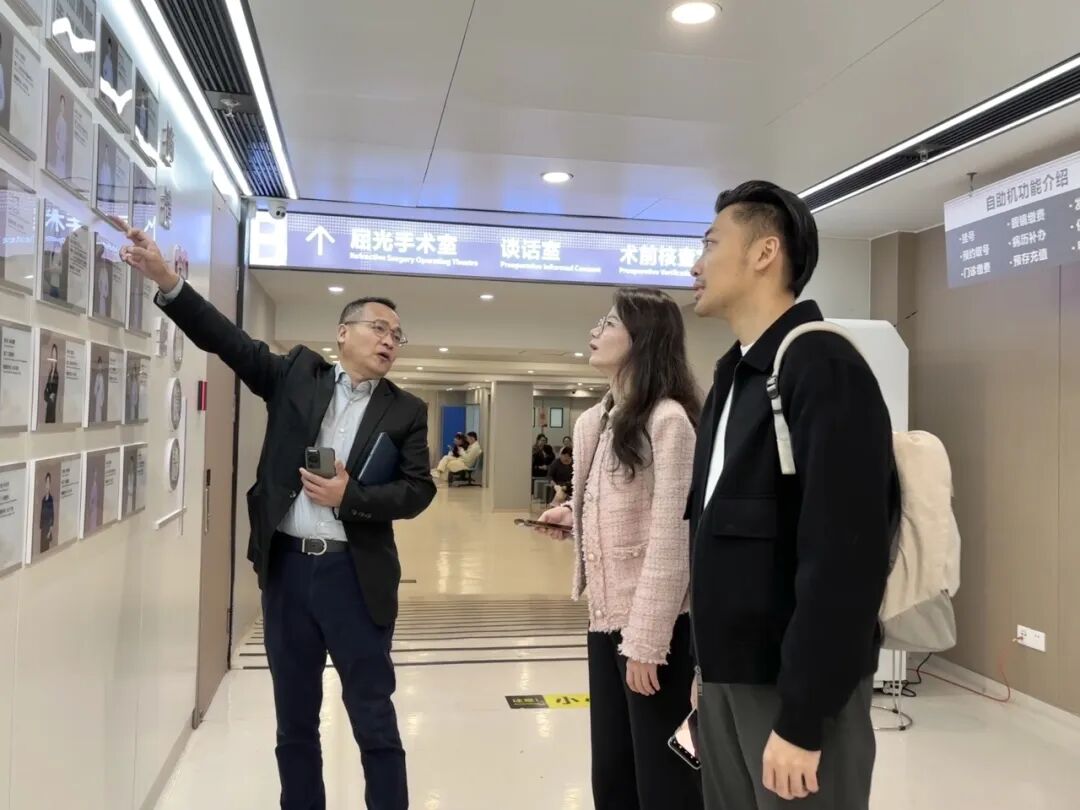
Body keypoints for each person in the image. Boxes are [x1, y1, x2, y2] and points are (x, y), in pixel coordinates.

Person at [119, 223, 436, 810]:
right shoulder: (296, 376)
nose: (390, 340)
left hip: (356, 577)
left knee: (374, 720)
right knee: (294, 722)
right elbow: (228, 340)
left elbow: (418, 491)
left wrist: (350, 497)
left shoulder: (407, 410)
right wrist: (167, 280)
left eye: (398, 334)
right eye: (379, 327)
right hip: (289, 573)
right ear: (343, 333)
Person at [686, 180, 895, 810]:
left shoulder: (821, 365)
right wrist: (707, 672)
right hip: (728, 680)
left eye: (710, 244)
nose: (695, 265)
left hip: (793, 691)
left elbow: (845, 558)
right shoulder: (733, 377)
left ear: (764, 252)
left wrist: (803, 718)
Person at [538, 287, 703, 810]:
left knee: (663, 782)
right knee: (612, 774)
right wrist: (573, 518)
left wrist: (647, 642)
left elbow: (672, 537)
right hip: (604, 621)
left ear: (643, 340)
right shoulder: (595, 420)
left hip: (656, 629)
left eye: (608, 323)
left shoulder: (668, 420)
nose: (595, 331)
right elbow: (614, 504)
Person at [50, 94, 69, 178]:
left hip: (63, 150)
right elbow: (56, 135)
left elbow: (65, 138)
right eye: (61, 104)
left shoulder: (64, 121)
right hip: (59, 150)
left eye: (63, 105)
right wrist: (60, 148)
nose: (62, 107)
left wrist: (63, 150)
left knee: (62, 172)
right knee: (59, 171)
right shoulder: (59, 119)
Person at [43, 344, 60, 424]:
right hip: (49, 400)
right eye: (52, 356)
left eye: (55, 357)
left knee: (51, 415)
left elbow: (55, 389)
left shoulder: (56, 374)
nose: (53, 359)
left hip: (52, 401)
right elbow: (47, 387)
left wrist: (51, 394)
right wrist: (47, 392)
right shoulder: (50, 373)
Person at [39, 473, 55, 554]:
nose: (47, 485)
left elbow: (52, 515)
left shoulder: (51, 499)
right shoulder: (43, 499)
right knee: (42, 549)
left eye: (49, 482)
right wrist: (41, 527)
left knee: (46, 550)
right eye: (46, 482)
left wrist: (50, 531)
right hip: (43, 529)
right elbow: (41, 515)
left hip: (48, 528)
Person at [92, 356, 106, 423]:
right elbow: (96, 385)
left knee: (100, 407)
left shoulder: (101, 377)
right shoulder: (98, 376)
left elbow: (102, 387)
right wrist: (96, 392)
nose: (100, 370)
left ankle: (99, 420)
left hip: (100, 393)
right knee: (97, 407)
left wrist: (102, 394)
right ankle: (97, 420)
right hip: (98, 394)